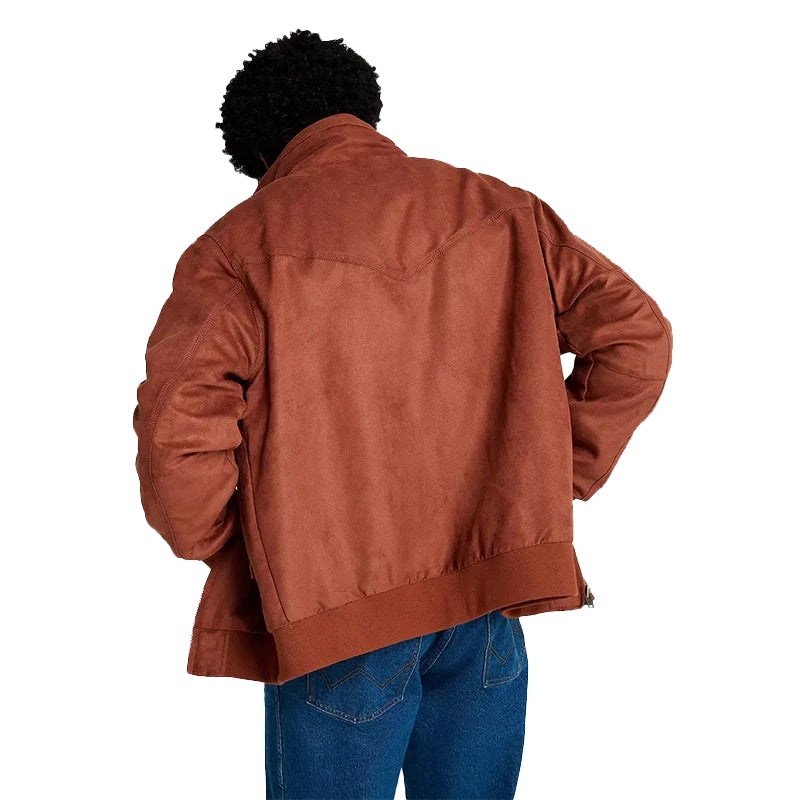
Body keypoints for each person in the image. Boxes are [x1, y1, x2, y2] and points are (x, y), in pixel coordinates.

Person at [132, 28, 673, 800]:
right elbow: (637, 340)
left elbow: (176, 436)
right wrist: (546, 481)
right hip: (488, 601)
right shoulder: (500, 209)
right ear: (364, 108)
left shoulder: (239, 248)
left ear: (259, 152)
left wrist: (242, 539)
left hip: (335, 618)